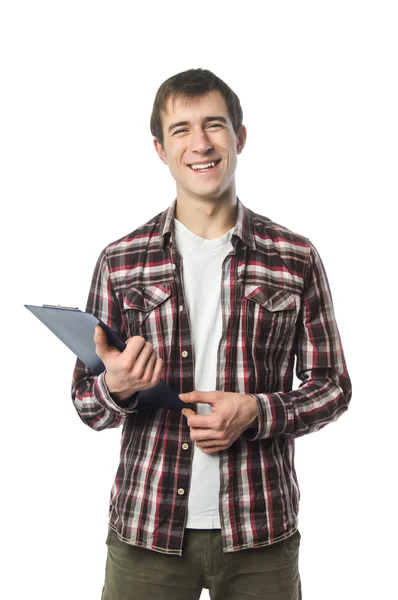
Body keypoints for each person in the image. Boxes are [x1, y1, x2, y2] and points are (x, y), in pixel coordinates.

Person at [71, 68, 352, 600]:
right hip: (146, 532)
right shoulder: (121, 261)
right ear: (160, 148)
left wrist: (256, 412)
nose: (200, 144)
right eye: (181, 130)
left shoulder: (295, 258)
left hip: (260, 534)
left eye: (214, 125)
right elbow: (86, 404)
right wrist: (120, 386)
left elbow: (333, 386)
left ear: (239, 137)